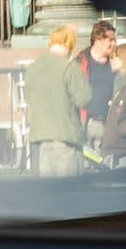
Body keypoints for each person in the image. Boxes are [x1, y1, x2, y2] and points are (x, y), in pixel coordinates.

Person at [21, 23, 83, 177]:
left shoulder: (33, 68)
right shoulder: (69, 66)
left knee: (49, 192)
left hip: (39, 136)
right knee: (68, 192)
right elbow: (84, 98)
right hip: (64, 136)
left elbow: (29, 96)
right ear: (69, 43)